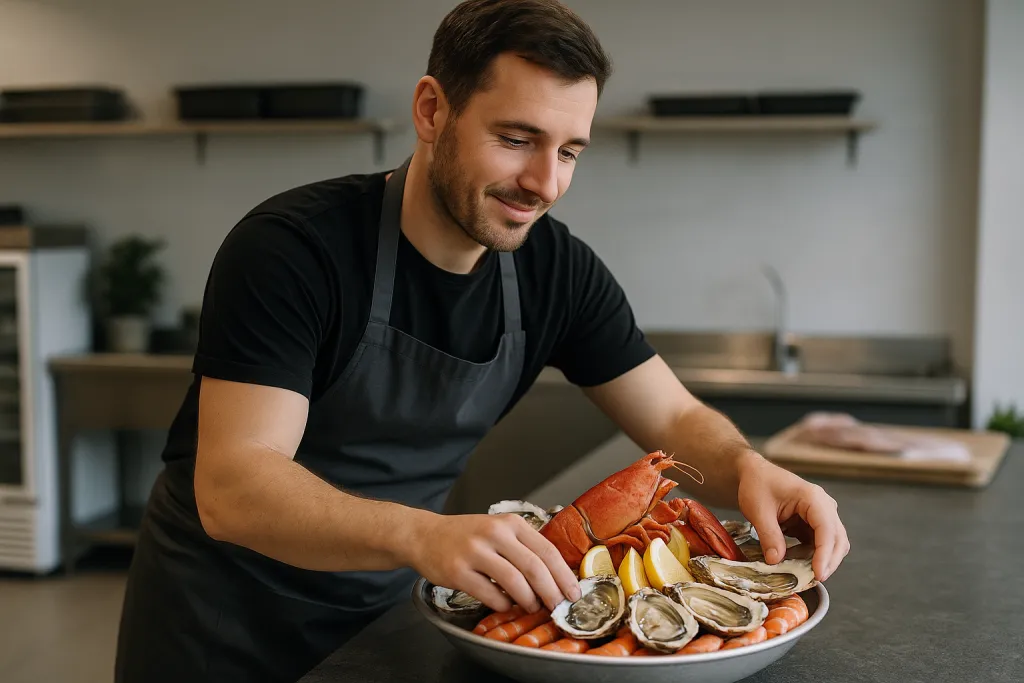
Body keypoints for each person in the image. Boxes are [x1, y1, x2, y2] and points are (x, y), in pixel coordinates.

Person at [114, 1, 850, 681]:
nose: (544, 183)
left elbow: (675, 420)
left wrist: (751, 467)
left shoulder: (557, 270)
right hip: (221, 627)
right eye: (517, 138)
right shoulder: (292, 250)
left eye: (569, 151)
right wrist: (422, 536)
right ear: (433, 110)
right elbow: (235, 485)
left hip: (389, 615)